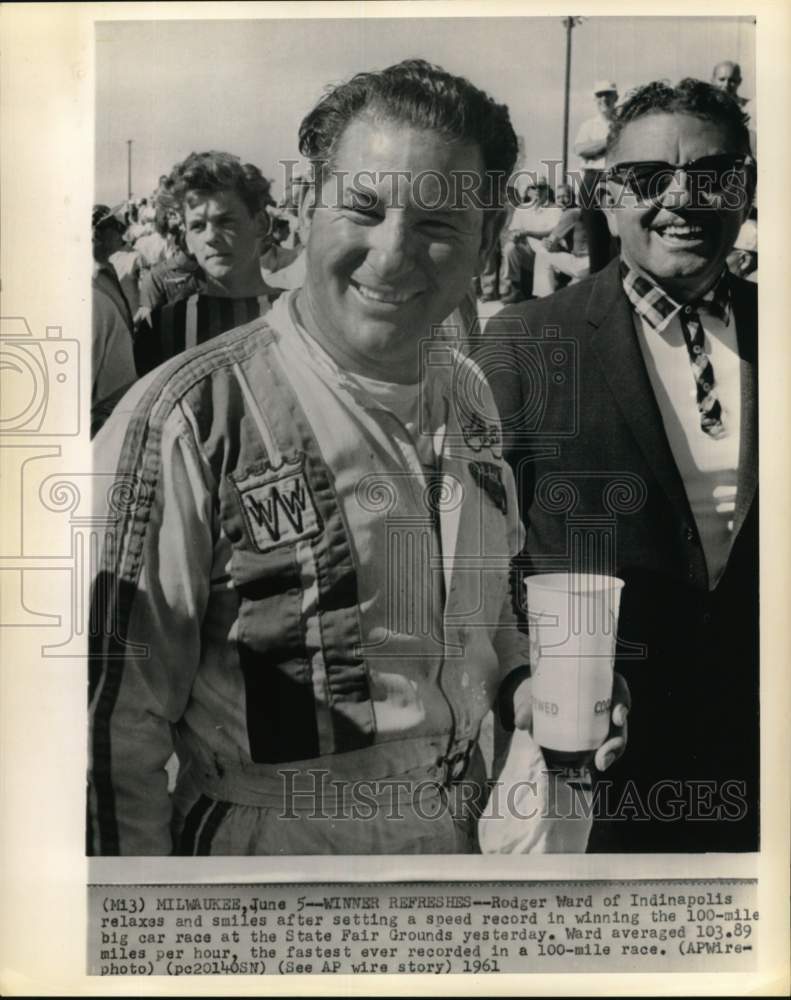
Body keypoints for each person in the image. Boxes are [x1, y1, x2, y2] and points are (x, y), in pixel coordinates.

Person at [88, 59, 627, 858]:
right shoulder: (186, 419)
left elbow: (494, 605)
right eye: (363, 208)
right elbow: (106, 736)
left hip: (454, 840)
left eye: (439, 225)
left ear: (488, 232)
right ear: (305, 207)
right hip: (269, 864)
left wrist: (526, 685)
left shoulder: (467, 395)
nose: (391, 254)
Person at [475, 78, 758, 853]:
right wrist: (527, 684)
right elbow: (479, 549)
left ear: (748, 187)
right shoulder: (530, 341)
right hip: (597, 759)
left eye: (712, 176)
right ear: (606, 197)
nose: (681, 199)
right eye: (645, 179)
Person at [133, 151, 278, 375]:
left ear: (260, 223)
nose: (211, 237)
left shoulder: (297, 313)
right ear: (188, 240)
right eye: (198, 226)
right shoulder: (161, 327)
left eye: (226, 221)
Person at [91, 205, 137, 435]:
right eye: (114, 226)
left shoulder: (107, 270)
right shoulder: (88, 283)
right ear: (96, 234)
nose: (121, 231)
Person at [574, 80, 620, 273]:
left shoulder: (623, 124)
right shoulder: (588, 125)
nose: (604, 99)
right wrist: (610, 140)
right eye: (600, 95)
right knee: (595, 240)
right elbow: (581, 149)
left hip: (616, 179)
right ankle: (597, 293)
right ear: (595, 99)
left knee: (617, 239)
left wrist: (597, 146)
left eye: (608, 94)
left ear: (615, 98)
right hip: (592, 179)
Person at [499, 179, 563, 303]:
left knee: (543, 249)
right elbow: (513, 230)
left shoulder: (555, 208)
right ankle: (515, 289)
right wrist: (515, 235)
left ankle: (544, 296)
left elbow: (554, 231)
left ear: (547, 191)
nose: (538, 190)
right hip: (528, 251)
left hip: (547, 249)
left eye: (541, 187)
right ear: (528, 192)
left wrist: (527, 232)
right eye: (534, 187)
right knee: (510, 248)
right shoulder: (522, 209)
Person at [531, 182, 589, 297]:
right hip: (590, 263)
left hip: (582, 264)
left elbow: (550, 246)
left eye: (565, 196)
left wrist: (545, 243)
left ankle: (544, 298)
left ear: (573, 197)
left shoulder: (570, 213)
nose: (561, 200)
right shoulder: (579, 211)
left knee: (542, 253)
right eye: (558, 197)